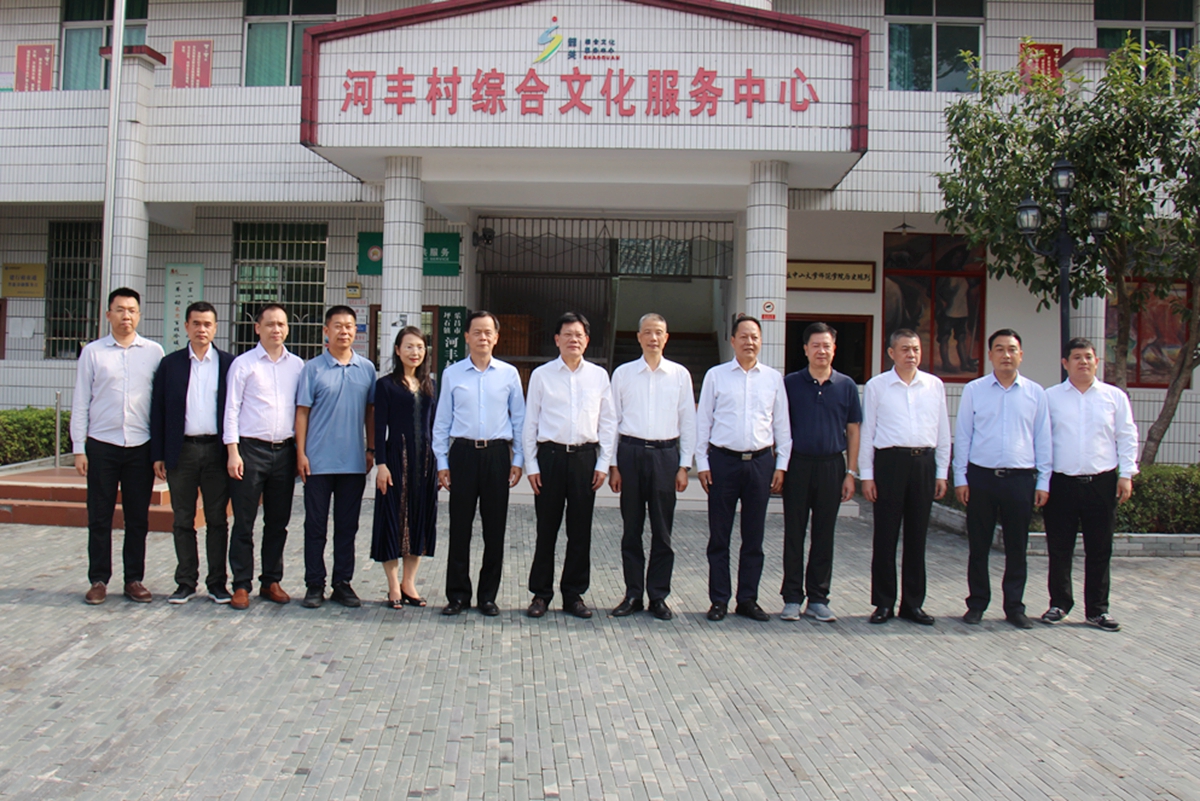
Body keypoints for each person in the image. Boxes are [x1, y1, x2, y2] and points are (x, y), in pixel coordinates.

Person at [953, 328, 1052, 629]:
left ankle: (1014, 607)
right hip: (982, 478)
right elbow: (964, 434)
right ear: (990, 355)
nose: (1006, 355)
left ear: (1021, 355)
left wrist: (1043, 481)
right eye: (999, 349)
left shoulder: (1036, 393)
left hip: (1020, 480)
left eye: (1011, 349)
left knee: (1017, 547)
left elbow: (1043, 439)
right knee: (978, 546)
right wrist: (961, 477)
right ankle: (977, 603)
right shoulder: (975, 390)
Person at [695, 316, 791, 623]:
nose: (750, 342)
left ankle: (748, 599)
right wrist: (702, 463)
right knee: (719, 536)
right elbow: (703, 421)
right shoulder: (716, 376)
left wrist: (781, 465)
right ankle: (719, 599)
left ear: (761, 341)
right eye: (744, 336)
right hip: (723, 462)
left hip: (760, 463)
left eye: (755, 337)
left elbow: (782, 425)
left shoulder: (773, 379)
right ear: (733, 340)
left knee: (754, 537)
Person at [73, 287, 165, 605]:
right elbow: (81, 400)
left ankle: (133, 579)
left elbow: (160, 404)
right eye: (120, 309)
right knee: (99, 516)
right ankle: (98, 579)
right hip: (102, 445)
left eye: (132, 310)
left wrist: (159, 452)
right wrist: (79, 448)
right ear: (108, 314)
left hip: (141, 446)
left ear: (139, 315)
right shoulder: (93, 353)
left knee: (137, 518)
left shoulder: (154, 352)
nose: (126, 316)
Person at [1041, 337, 1139, 632]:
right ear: (1065, 363)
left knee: (1099, 548)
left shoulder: (1114, 397)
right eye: (1076, 357)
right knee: (1059, 548)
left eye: (1088, 357)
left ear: (1097, 362)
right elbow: (1042, 441)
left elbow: (1127, 435)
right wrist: (1042, 482)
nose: (1083, 362)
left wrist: (1126, 474)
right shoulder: (1050, 397)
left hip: (1101, 482)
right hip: (1061, 483)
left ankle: (1098, 610)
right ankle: (1059, 603)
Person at [524, 312, 618, 620]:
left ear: (587, 341)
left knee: (580, 531)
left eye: (579, 335)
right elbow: (530, 421)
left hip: (584, 459)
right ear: (557, 339)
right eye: (567, 334)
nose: (573, 340)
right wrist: (531, 465)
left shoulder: (599, 376)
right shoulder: (541, 375)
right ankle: (541, 594)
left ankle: (573, 594)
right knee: (546, 529)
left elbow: (608, 422)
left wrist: (603, 463)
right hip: (550, 457)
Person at [433, 310, 525, 617]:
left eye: (488, 332)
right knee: (459, 528)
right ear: (466, 337)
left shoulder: (509, 374)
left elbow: (520, 419)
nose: (483, 337)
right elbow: (442, 421)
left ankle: (488, 596)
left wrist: (518, 458)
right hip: (462, 454)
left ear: (496, 337)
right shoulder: (452, 374)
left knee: (494, 529)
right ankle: (458, 595)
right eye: (477, 332)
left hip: (497, 455)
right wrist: (442, 462)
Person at [859, 328, 950, 626]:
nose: (911, 354)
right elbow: (868, 432)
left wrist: (942, 472)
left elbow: (943, 431)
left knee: (917, 537)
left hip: (923, 463)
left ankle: (912, 604)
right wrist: (867, 475)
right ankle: (883, 602)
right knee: (885, 536)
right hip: (890, 463)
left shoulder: (934, 385)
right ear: (891, 353)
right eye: (905, 349)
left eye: (915, 349)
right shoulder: (877, 386)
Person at [608, 313, 696, 621]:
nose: (653, 338)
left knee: (662, 530)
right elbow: (612, 420)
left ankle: (658, 595)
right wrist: (613, 464)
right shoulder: (623, 374)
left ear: (666, 337)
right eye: (647, 332)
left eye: (658, 332)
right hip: (630, 453)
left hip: (665, 456)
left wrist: (684, 465)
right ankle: (633, 594)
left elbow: (688, 421)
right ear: (639, 337)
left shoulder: (680, 375)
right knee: (631, 529)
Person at [149, 301, 235, 605]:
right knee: (183, 520)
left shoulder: (228, 364)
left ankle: (217, 583)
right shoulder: (170, 364)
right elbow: (157, 410)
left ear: (215, 328)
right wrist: (158, 454)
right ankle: (185, 582)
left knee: (217, 520)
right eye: (196, 323)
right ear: (186, 326)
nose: (201, 329)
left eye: (207, 324)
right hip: (181, 451)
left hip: (216, 452)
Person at [224, 303, 305, 611]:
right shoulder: (243, 364)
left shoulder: (297, 366)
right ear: (257, 328)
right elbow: (231, 409)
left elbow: (302, 411)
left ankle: (271, 580)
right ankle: (241, 584)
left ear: (288, 329)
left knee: (278, 521)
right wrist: (233, 451)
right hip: (250, 451)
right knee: (243, 521)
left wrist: (300, 452)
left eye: (281, 324)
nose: (276, 329)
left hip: (284, 451)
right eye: (270, 324)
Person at [780, 322, 862, 623]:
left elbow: (853, 431)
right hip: (798, 465)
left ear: (834, 349)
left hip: (832, 466)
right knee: (794, 533)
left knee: (824, 534)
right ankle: (792, 597)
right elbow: (779, 425)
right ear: (805, 349)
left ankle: (818, 598)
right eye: (815, 345)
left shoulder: (846, 385)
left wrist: (850, 472)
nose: (821, 351)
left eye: (826, 345)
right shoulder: (790, 384)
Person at [296, 306, 376, 609]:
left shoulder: (366, 369)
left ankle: (342, 583)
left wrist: (371, 449)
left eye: (350, 326)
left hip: (353, 463)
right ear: (326, 331)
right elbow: (302, 412)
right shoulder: (312, 368)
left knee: (347, 527)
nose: (344, 331)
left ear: (356, 330)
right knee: (315, 527)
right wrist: (301, 453)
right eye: (338, 326)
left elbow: (370, 412)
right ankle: (314, 584)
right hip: (317, 462)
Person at [371, 326, 438, 609]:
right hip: (396, 458)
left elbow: (435, 425)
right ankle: (392, 586)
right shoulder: (385, 385)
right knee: (392, 518)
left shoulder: (429, 385)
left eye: (420, 347)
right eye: (409, 346)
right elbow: (379, 427)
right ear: (397, 350)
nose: (415, 352)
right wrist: (381, 464)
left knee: (419, 518)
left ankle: (409, 583)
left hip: (425, 460)